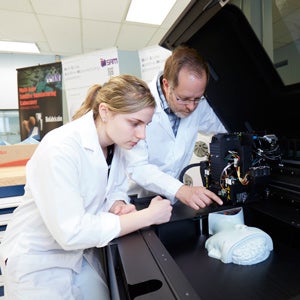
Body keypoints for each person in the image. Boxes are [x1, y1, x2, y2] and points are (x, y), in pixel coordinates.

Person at [0, 75, 173, 300]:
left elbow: (115, 187)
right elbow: (71, 231)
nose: (142, 135)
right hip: (37, 261)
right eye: (134, 123)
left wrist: (117, 204)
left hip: (78, 256)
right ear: (105, 111)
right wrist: (148, 216)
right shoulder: (61, 148)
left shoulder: (116, 145)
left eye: (146, 125)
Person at [124, 45, 227, 210]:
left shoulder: (197, 105)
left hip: (173, 201)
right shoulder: (138, 105)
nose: (191, 107)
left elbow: (224, 127)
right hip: (137, 201)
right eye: (184, 99)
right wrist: (180, 189)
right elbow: (138, 167)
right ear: (166, 85)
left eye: (197, 99)